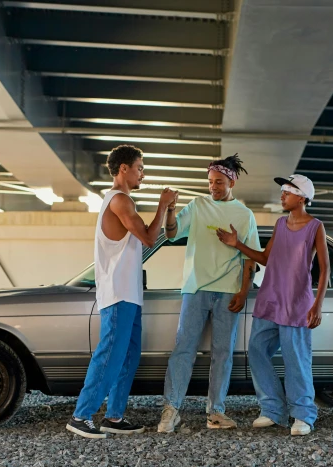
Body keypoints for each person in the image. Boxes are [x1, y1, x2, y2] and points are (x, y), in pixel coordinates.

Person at [67, 144, 178, 439]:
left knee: (128, 356)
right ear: (124, 169)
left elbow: (163, 233)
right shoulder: (120, 201)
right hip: (117, 294)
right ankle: (82, 415)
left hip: (129, 293)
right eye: (140, 167)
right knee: (109, 355)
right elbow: (149, 238)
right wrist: (162, 204)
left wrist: (167, 211)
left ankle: (114, 417)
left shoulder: (122, 201)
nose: (143, 173)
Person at [216, 174, 328, 436]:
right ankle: (272, 409)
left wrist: (317, 304)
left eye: (287, 192)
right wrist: (237, 244)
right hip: (270, 299)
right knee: (256, 350)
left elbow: (324, 269)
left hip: (297, 303)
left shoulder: (315, 227)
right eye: (282, 191)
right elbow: (265, 258)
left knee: (296, 360)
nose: (282, 195)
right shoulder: (280, 224)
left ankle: (303, 414)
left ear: (302, 198)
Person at [157, 154, 260, 432]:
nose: (213, 187)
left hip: (228, 292)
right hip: (196, 289)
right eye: (210, 182)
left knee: (222, 353)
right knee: (183, 349)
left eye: (219, 182)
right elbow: (171, 233)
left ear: (232, 181)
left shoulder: (244, 214)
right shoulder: (197, 205)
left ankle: (215, 412)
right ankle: (171, 409)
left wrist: (243, 292)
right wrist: (169, 210)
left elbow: (250, 258)